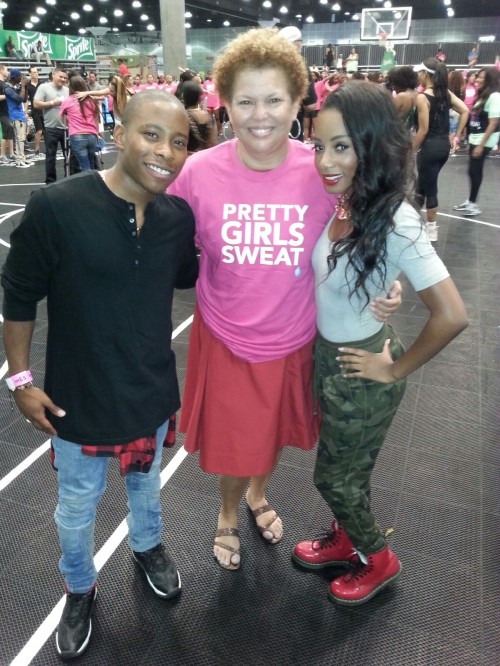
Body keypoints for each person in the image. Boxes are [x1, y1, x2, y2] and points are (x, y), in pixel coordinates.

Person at [168, 29, 401, 572]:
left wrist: (389, 285)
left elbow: (368, 238)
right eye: (245, 100)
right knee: (232, 444)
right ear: (224, 102)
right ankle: (229, 514)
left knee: (268, 435)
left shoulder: (323, 172)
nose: (260, 115)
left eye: (274, 99)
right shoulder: (198, 174)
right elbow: (152, 236)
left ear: (299, 102)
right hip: (226, 334)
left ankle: (256, 495)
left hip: (294, 336)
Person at [1, 90, 198, 660]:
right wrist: (20, 379)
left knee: (146, 487)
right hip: (77, 403)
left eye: (179, 141)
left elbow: (191, 273)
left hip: (150, 392)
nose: (165, 151)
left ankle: (147, 548)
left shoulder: (177, 218)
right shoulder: (57, 206)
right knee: (76, 509)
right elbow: (18, 296)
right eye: (152, 134)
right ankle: (80, 589)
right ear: (118, 134)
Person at [293, 81, 468, 606]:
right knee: (349, 470)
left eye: (341, 146)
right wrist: (383, 288)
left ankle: (378, 559)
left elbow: (453, 315)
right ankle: (347, 535)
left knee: (334, 479)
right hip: (331, 360)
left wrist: (394, 369)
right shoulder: (347, 201)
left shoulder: (397, 217)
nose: (324, 159)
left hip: (362, 373)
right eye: (319, 144)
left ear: (370, 146)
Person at [412, 59, 468, 241]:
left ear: (425, 74)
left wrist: (410, 150)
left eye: (420, 72)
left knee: (430, 187)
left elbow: (423, 129)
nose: (418, 76)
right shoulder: (446, 94)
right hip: (443, 147)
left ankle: (431, 229)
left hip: (429, 147)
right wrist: (456, 136)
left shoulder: (422, 97)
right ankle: (412, 221)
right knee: (423, 182)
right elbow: (465, 110)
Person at [453, 67, 500, 216]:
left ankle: (473, 204)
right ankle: (471, 201)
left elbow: (493, 123)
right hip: (476, 137)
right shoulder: (483, 96)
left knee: (475, 170)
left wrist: (480, 145)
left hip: (483, 140)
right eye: (477, 77)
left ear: (490, 80)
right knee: (473, 170)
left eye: (481, 78)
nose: (477, 80)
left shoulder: (494, 96)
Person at [278, 26, 317, 142]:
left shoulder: (267, 64)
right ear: (293, 43)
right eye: (299, 41)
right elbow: (311, 105)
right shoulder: (300, 66)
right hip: (291, 123)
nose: (300, 45)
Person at [34, 67, 69, 184]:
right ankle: (50, 181)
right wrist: (53, 102)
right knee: (50, 157)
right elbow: (36, 104)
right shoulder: (44, 87)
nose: (63, 79)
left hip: (66, 128)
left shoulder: (67, 90)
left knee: (68, 156)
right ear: (53, 75)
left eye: (65, 77)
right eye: (61, 76)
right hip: (51, 128)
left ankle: (68, 178)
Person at [59, 75, 100, 171]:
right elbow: (96, 119)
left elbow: (61, 118)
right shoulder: (91, 100)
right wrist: (97, 133)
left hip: (77, 136)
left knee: (84, 165)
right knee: (91, 163)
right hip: (92, 135)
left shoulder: (67, 100)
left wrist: (67, 125)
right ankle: (94, 184)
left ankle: (87, 185)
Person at [182, 80, 215, 154]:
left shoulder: (182, 116)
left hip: (187, 157)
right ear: (199, 98)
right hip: (203, 157)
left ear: (184, 97)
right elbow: (211, 142)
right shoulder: (207, 116)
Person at [386, 66, 419, 131]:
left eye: (393, 83)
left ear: (399, 82)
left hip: (398, 133)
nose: (393, 87)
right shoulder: (416, 93)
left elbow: (388, 116)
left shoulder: (402, 96)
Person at [26, 66, 45, 160]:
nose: (36, 74)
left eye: (37, 72)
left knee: (46, 131)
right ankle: (37, 150)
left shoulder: (42, 84)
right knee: (39, 130)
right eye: (34, 72)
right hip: (35, 111)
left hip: (44, 110)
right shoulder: (28, 86)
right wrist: (25, 112)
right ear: (30, 74)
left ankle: (48, 148)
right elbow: (25, 100)